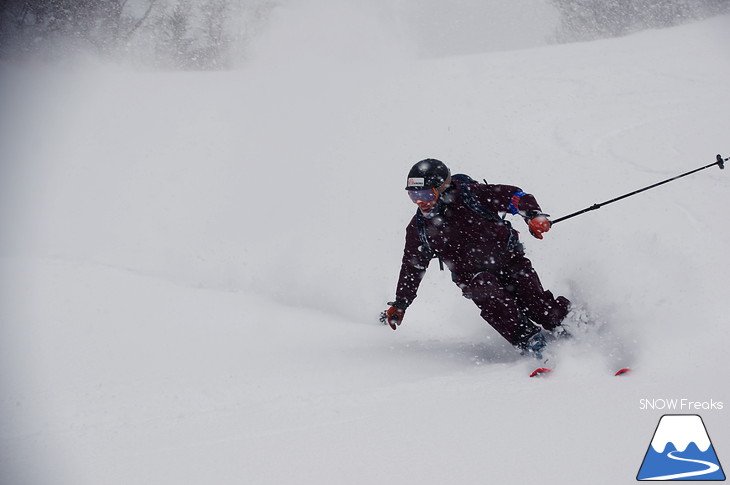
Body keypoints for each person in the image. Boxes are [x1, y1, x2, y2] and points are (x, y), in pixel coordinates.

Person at [382, 158, 571, 358]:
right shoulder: (420, 228)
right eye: (414, 196)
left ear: (443, 188)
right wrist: (401, 303)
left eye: (426, 195)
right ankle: (532, 342)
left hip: (510, 261)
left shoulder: (472, 195)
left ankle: (572, 323)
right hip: (472, 276)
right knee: (486, 289)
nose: (421, 202)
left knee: (539, 308)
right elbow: (412, 267)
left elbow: (514, 196)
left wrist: (533, 215)